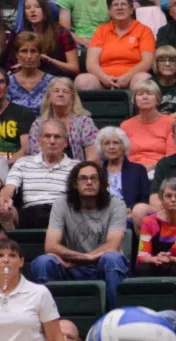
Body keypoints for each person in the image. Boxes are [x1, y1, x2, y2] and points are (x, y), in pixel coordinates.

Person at [29, 161, 128, 309]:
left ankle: (115, 317)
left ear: (101, 183)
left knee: (112, 258)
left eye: (94, 178)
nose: (89, 182)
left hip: (102, 267)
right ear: (75, 184)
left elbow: (112, 246)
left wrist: (81, 260)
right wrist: (85, 258)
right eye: (83, 178)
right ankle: (50, 317)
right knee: (43, 262)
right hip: (70, 269)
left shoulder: (117, 205)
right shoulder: (61, 204)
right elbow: (50, 246)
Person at [0, 120, 78, 230]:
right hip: (30, 213)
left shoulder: (77, 167)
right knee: (4, 208)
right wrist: (4, 198)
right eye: (47, 136)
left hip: (63, 213)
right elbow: (9, 187)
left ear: (65, 142)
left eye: (57, 137)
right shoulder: (23, 163)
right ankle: (11, 236)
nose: (52, 141)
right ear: (39, 141)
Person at [76, 0, 154, 91]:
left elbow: (147, 62)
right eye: (115, 5)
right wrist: (105, 78)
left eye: (123, 4)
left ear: (131, 9)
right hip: (103, 81)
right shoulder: (101, 30)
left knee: (143, 78)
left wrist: (126, 78)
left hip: (132, 79)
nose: (119, 8)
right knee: (82, 81)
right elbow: (91, 63)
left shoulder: (144, 30)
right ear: (109, 11)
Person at [26, 78, 98, 163]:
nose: (60, 94)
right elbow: (34, 156)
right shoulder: (38, 124)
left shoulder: (84, 122)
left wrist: (80, 170)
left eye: (65, 91)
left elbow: (94, 157)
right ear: (49, 97)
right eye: (56, 91)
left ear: (73, 98)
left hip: (78, 169)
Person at [11, 0, 79, 78]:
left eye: (37, 7)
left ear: (45, 11)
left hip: (58, 78)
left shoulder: (61, 32)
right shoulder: (23, 36)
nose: (32, 10)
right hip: (33, 78)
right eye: (28, 8)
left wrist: (50, 60)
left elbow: (74, 69)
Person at [121, 80, 176, 169]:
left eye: (150, 94)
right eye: (140, 94)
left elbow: (171, 156)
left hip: (160, 169)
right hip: (132, 170)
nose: (145, 97)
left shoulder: (170, 122)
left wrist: (149, 168)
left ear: (158, 99)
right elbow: (121, 157)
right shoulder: (125, 125)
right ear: (134, 100)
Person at [97, 126, 150, 215]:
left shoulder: (138, 170)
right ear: (101, 148)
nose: (111, 147)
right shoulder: (97, 173)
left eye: (116, 143)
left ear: (124, 146)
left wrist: (131, 209)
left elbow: (145, 199)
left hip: (131, 216)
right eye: (106, 143)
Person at [7, 33, 56, 113]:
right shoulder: (8, 82)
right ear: (17, 55)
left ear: (40, 55)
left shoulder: (52, 82)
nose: (29, 56)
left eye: (33, 51)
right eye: (24, 51)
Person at [0, 72, 34, 168]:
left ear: (7, 87)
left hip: (14, 166)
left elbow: (25, 149)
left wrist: (5, 166)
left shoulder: (23, 113)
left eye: (1, 82)